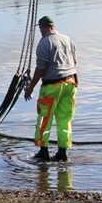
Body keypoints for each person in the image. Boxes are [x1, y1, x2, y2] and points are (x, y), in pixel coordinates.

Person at [23, 16, 78, 162]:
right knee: (65, 119)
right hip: (70, 83)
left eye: (40, 29)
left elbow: (40, 68)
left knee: (44, 119)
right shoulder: (67, 39)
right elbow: (75, 62)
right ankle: (62, 153)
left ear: (43, 28)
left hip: (52, 86)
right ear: (53, 26)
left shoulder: (44, 43)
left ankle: (43, 152)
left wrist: (30, 88)